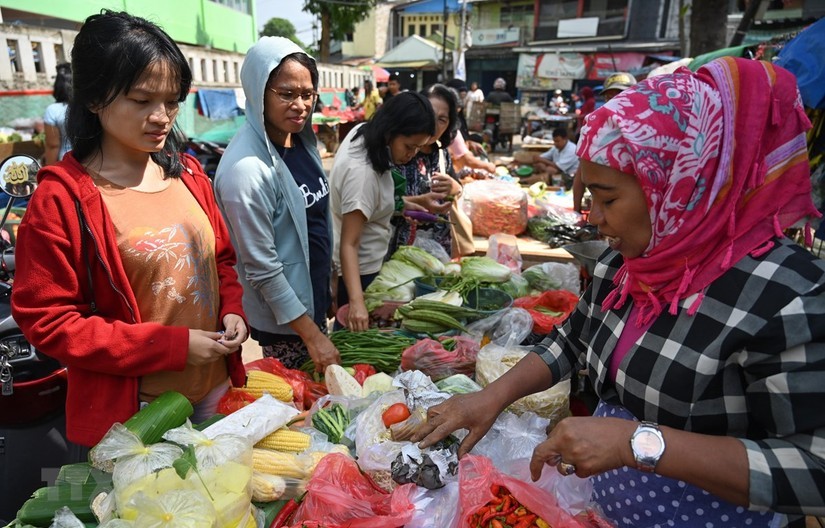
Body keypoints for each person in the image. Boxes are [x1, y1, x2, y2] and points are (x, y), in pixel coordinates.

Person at [413, 57, 825, 527]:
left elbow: (814, 468)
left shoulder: (786, 294)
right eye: (590, 197)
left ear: (679, 188)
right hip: (609, 512)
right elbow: (571, 340)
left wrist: (639, 444)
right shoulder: (629, 263)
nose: (593, 218)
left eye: (608, 199)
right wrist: (489, 398)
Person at [11, 11, 249, 448]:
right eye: (142, 101)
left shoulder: (190, 174)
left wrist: (232, 308)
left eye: (172, 101)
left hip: (216, 391)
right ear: (96, 98)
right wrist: (170, 347)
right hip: (137, 418)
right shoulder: (61, 200)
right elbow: (48, 320)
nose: (162, 117)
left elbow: (220, 260)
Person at [213, 37, 339, 373]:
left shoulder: (301, 142)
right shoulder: (246, 170)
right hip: (287, 324)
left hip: (314, 302)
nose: (300, 104)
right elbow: (262, 268)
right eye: (286, 94)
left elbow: (319, 221)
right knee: (301, 403)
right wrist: (312, 337)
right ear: (258, 93)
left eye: (307, 94)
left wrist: (331, 283)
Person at [330, 92, 437, 331]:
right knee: (355, 338)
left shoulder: (365, 133)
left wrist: (406, 203)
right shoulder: (363, 174)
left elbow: (368, 203)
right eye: (409, 146)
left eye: (418, 148)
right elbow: (349, 244)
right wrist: (357, 302)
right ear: (390, 131)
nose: (412, 155)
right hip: (358, 274)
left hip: (361, 269)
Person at [388, 84, 463, 258]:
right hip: (397, 253)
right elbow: (375, 203)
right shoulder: (396, 150)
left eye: (442, 119)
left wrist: (455, 188)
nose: (433, 124)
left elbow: (456, 188)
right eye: (429, 114)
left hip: (436, 252)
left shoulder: (442, 154)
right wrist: (416, 202)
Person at [572, 72, 637, 212]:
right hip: (607, 206)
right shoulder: (595, 128)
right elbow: (580, 174)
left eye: (620, 95)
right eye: (609, 97)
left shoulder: (648, 128)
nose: (615, 101)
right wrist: (576, 212)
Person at [43, 62, 72, 165]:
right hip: (91, 163)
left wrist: (47, 172)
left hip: (66, 164)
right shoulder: (89, 106)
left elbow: (53, 145)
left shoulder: (52, 110)